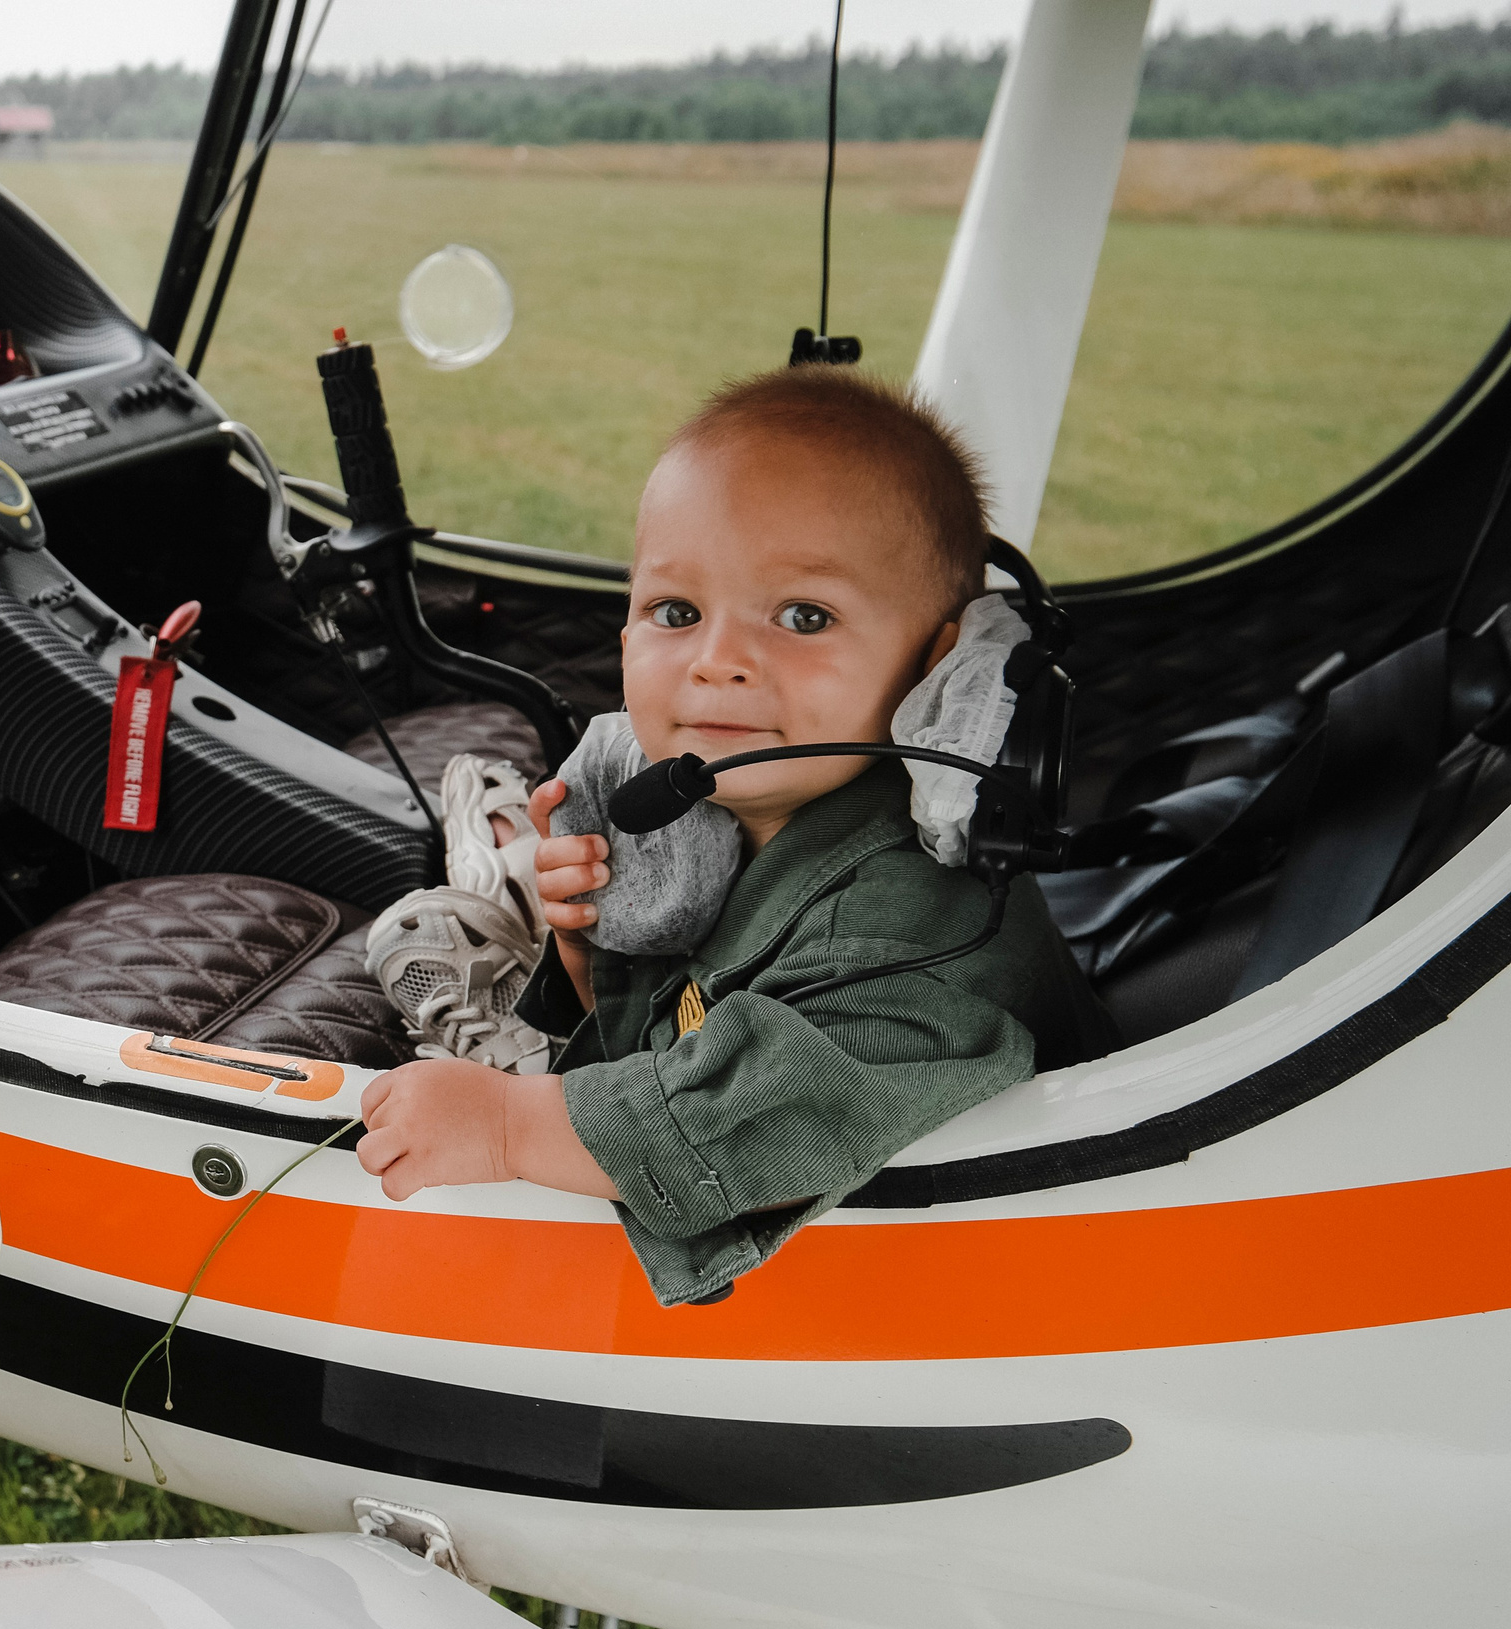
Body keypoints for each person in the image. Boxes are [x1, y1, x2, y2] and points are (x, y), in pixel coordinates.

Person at [354, 366, 1114, 1305]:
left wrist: (509, 1123)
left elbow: (760, 1118)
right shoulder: (711, 811)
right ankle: (517, 925)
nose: (718, 662)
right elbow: (670, 1017)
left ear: (940, 679)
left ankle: (508, 993)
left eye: (804, 616)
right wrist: (588, 940)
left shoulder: (909, 931)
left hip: (944, 1291)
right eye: (676, 612)